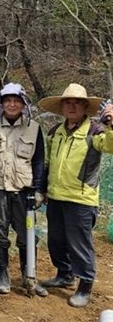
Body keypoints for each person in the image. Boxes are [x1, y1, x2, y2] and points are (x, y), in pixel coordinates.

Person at [37, 83, 113, 307]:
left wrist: (111, 125)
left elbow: (110, 146)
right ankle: (65, 275)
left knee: (79, 244)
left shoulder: (95, 131)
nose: (72, 106)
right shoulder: (55, 132)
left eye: (77, 103)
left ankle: (85, 285)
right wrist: (42, 188)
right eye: (68, 103)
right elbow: (48, 162)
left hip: (81, 199)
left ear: (85, 106)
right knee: (56, 241)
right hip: (56, 196)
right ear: (62, 107)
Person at [0, 83, 47, 297]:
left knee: (27, 234)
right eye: (7, 100)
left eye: (16, 101)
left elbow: (38, 161)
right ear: (1, 104)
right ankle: (3, 275)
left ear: (23, 104)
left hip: (23, 189)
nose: (12, 104)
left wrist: (39, 189)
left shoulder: (33, 127)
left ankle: (29, 275)